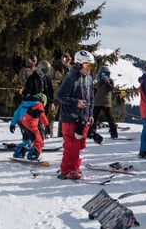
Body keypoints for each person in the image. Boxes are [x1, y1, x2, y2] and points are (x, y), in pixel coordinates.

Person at [56, 50, 100, 179]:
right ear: (79, 64)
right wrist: (76, 102)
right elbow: (60, 95)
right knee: (71, 146)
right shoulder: (71, 78)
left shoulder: (89, 79)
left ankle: (75, 168)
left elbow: (91, 98)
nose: (88, 69)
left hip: (83, 118)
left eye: (90, 66)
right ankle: (66, 170)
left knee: (80, 146)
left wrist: (90, 114)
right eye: (87, 66)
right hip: (70, 118)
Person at [10, 93, 49, 160]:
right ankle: (33, 155)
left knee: (27, 140)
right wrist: (47, 125)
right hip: (30, 124)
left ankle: (19, 153)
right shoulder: (38, 105)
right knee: (38, 142)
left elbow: (16, 113)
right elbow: (42, 116)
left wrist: (12, 124)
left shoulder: (23, 103)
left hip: (22, 123)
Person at [23, 60, 54, 135]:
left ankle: (40, 138)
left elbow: (50, 91)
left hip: (44, 105)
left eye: (46, 71)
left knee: (43, 121)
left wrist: (52, 102)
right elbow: (27, 92)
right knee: (35, 124)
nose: (44, 73)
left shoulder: (46, 79)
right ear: (39, 68)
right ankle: (34, 140)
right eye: (43, 70)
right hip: (34, 105)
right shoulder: (32, 78)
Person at [92, 66, 118, 139]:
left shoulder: (110, 80)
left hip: (106, 103)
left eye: (106, 74)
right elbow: (95, 89)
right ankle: (92, 131)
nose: (105, 75)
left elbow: (111, 88)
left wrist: (107, 82)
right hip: (97, 102)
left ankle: (114, 133)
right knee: (94, 118)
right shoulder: (98, 81)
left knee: (110, 118)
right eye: (103, 74)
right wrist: (101, 81)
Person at [49, 52, 72, 134]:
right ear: (62, 59)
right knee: (52, 113)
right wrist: (59, 83)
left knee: (64, 115)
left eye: (69, 60)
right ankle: (48, 132)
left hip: (66, 96)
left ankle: (62, 132)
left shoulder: (71, 70)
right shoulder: (55, 68)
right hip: (56, 94)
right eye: (66, 59)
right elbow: (49, 80)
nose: (67, 61)